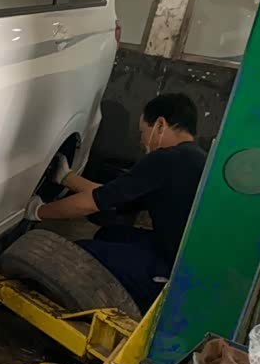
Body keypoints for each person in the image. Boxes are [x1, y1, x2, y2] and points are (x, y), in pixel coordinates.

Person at [24, 93, 207, 310]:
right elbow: (115, 196)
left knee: (76, 255)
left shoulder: (165, 159)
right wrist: (67, 178)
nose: (141, 141)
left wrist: (39, 211)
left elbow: (91, 203)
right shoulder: (195, 158)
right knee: (109, 234)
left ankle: (138, 301)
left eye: (142, 132)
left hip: (177, 275)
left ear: (160, 125)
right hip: (184, 257)